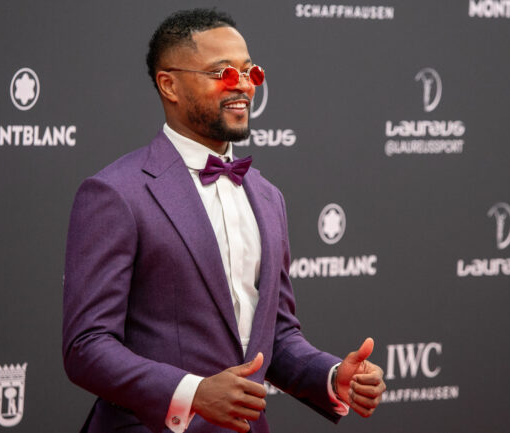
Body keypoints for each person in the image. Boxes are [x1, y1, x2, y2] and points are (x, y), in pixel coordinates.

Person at [62, 8, 385, 433]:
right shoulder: (116, 193)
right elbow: (86, 347)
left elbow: (277, 338)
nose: (244, 86)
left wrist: (330, 376)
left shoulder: (268, 198)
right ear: (169, 84)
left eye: (250, 72)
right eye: (223, 74)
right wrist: (192, 392)